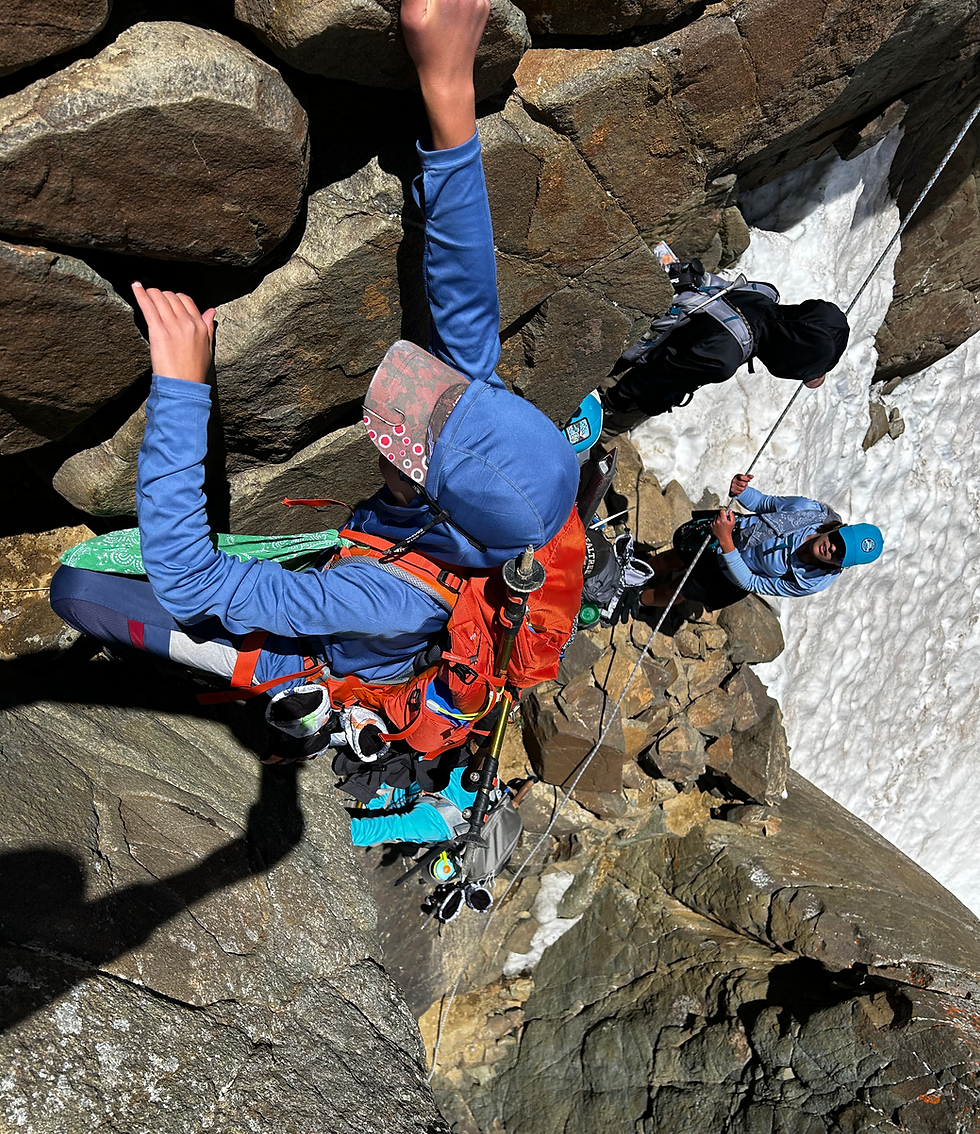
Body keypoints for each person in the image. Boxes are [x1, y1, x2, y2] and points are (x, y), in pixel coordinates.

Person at [50, 0, 583, 762]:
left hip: (326, 649)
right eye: (434, 403)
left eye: (404, 445)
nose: (393, 430)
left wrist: (181, 390)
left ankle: (270, 701)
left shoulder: (387, 600)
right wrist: (450, 88)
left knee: (75, 589)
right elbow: (466, 302)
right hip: (375, 561)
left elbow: (191, 580)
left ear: (437, 511)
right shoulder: (479, 454)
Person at [602, 263, 850, 431]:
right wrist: (614, 402)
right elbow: (655, 376)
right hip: (624, 372)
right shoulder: (723, 358)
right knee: (600, 428)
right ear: (791, 355)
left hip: (638, 329)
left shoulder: (763, 293)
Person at [641, 473, 883, 609]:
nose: (832, 548)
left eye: (840, 554)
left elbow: (752, 582)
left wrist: (726, 541)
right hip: (732, 533)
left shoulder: (812, 581)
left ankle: (636, 600)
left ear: (841, 566)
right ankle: (633, 573)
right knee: (673, 559)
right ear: (839, 528)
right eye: (839, 539)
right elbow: (766, 504)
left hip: (730, 575)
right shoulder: (808, 511)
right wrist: (742, 491)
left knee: (678, 590)